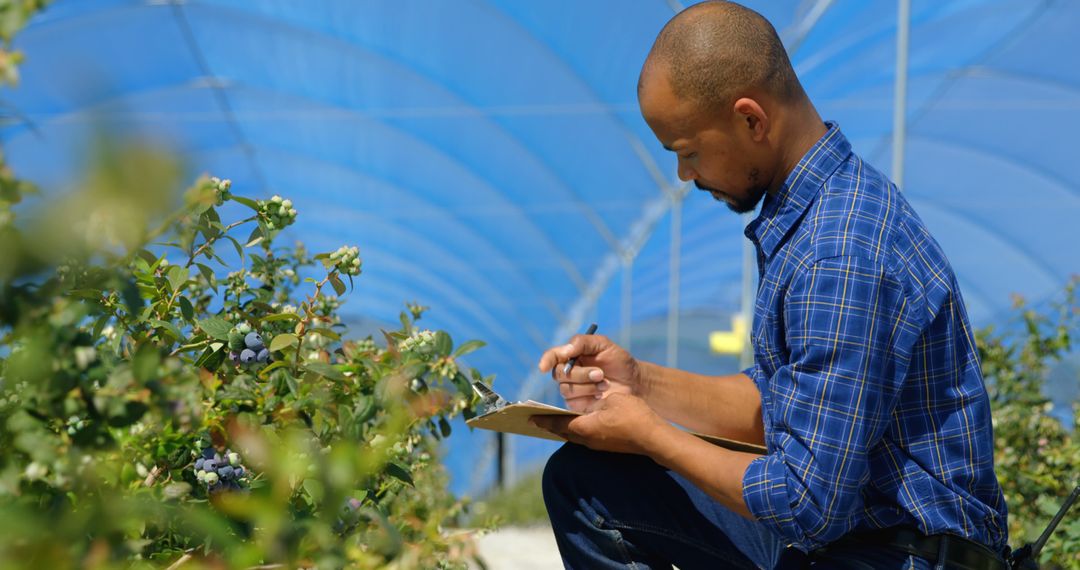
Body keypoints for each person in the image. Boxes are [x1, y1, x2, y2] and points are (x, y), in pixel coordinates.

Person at [530, 2, 1009, 569]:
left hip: (899, 555)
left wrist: (650, 435)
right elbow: (780, 401)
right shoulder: (815, 216)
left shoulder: (839, 250)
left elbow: (807, 504)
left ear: (752, 120)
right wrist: (638, 383)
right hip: (856, 540)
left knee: (606, 482)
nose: (686, 176)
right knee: (586, 482)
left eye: (688, 152)